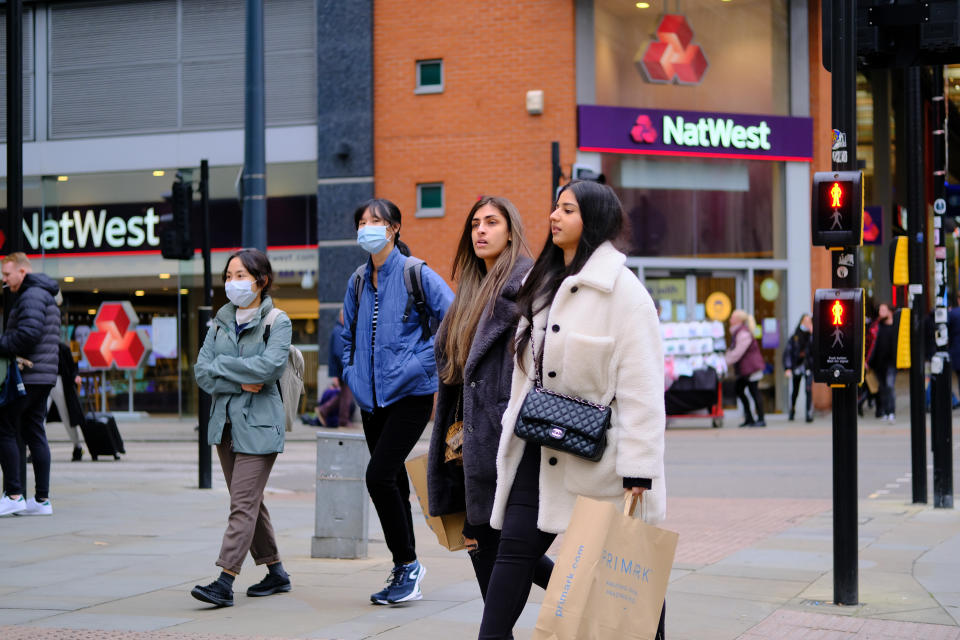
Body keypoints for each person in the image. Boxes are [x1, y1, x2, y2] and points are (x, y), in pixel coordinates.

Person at [479, 181, 666, 640]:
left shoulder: (625, 293)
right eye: (555, 208)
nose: (554, 217)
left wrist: (639, 471)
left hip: (602, 462)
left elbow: (642, 389)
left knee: (627, 575)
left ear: (594, 221)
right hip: (538, 449)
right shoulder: (541, 284)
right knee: (511, 553)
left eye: (568, 209)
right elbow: (528, 374)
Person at [426, 196, 554, 601]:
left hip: (508, 443)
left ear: (510, 231)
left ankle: (592, 595)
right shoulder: (466, 295)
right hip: (464, 446)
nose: (480, 230)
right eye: (475, 223)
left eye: (492, 222)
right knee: (488, 547)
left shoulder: (527, 289)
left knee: (505, 548)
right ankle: (587, 594)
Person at [340, 198, 454, 605]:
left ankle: (407, 564)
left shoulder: (414, 272)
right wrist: (352, 372)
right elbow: (346, 333)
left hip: (411, 395)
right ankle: (405, 568)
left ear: (394, 228)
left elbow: (454, 318)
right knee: (391, 482)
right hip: (371, 400)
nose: (367, 227)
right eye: (362, 221)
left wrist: (421, 362)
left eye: (376, 220)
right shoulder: (357, 279)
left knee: (377, 476)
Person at [192, 249, 293, 607]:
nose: (232, 283)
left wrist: (224, 367)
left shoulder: (277, 321)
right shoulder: (220, 321)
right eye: (228, 276)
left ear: (261, 280)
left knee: (242, 505)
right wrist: (236, 377)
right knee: (249, 502)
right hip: (226, 425)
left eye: (240, 275)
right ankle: (276, 572)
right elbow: (202, 371)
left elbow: (268, 370)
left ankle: (224, 579)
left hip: (260, 426)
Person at [0, 253, 61, 517]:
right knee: (35, 431)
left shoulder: (32, 296)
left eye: (7, 274)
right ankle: (42, 500)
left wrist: (2, 343)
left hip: (28, 374)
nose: (3, 280)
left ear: (22, 272)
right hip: (44, 374)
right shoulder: (41, 294)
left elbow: (28, 334)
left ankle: (13, 494)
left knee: (4, 427)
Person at [725, 309, 766, 427]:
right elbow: (733, 350)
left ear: (738, 320)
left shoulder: (743, 333)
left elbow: (738, 352)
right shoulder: (738, 332)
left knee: (754, 392)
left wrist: (725, 362)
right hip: (746, 369)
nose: (730, 320)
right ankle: (750, 418)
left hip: (751, 369)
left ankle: (761, 419)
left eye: (732, 317)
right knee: (739, 390)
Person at [47, 341, 86, 461]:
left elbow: (72, 366)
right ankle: (37, 448)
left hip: (56, 381)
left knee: (66, 416)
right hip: (47, 381)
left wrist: (75, 376)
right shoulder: (58, 346)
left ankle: (77, 446)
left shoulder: (62, 348)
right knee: (39, 417)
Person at [316, 309, 354, 427]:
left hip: (341, 369)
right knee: (346, 394)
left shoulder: (339, 330)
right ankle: (342, 419)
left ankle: (324, 410)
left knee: (344, 394)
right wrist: (347, 367)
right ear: (342, 317)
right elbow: (339, 353)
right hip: (343, 369)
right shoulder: (339, 331)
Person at [867, 303, 897, 422]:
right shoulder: (876, 326)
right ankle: (885, 411)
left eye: (883, 310)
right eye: (880, 310)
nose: (881, 313)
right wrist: (867, 361)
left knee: (890, 386)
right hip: (878, 363)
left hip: (891, 362)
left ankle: (891, 411)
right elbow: (870, 345)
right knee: (882, 388)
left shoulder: (896, 326)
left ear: (890, 311)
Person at [783, 314, 814, 423]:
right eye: (805, 321)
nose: (807, 323)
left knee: (808, 390)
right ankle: (792, 410)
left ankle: (809, 414)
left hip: (808, 366)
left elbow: (816, 350)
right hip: (797, 366)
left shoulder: (812, 336)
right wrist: (788, 367)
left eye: (809, 321)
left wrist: (812, 335)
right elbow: (788, 352)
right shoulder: (795, 336)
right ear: (801, 322)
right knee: (795, 390)